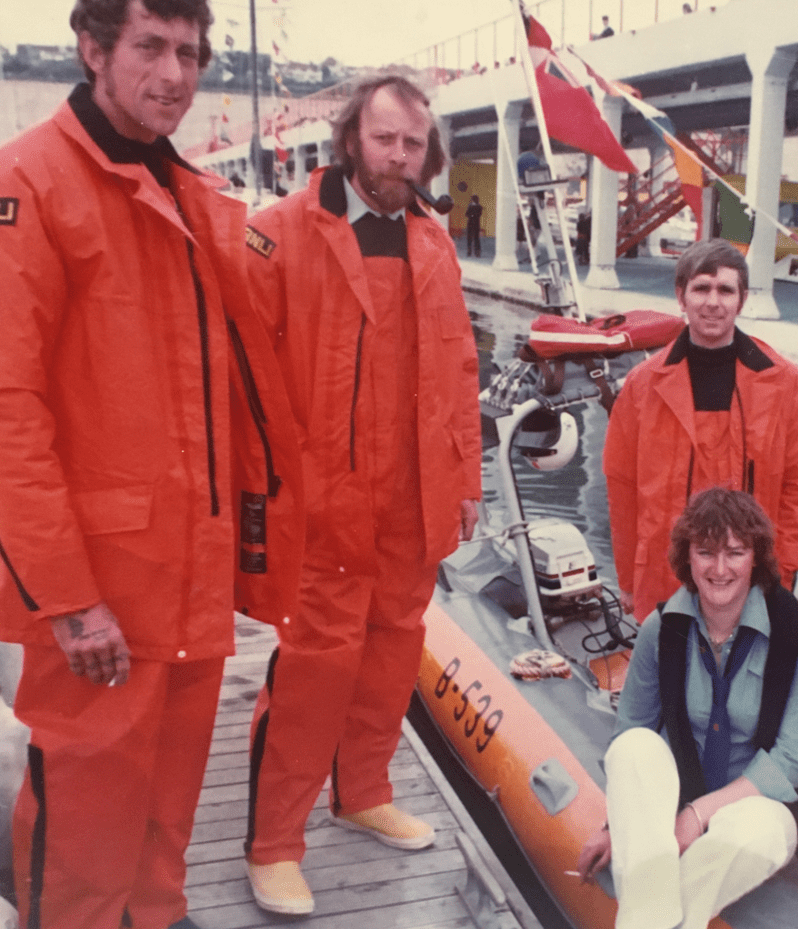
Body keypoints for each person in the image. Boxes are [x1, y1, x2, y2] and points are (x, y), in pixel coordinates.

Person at [0, 2, 302, 928]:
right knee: (89, 823)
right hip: (99, 594)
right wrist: (66, 596)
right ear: (93, 50)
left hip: (189, 578)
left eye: (190, 53)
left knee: (167, 809)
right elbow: (1, 417)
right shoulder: (16, 191)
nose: (176, 73)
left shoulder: (180, 191)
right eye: (151, 47)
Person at [239, 72, 483, 915]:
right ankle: (273, 842)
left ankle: (365, 790)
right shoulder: (277, 235)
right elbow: (245, 379)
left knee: (389, 659)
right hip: (324, 502)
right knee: (313, 672)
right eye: (385, 138)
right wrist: (263, 495)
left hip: (414, 500)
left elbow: (459, 371)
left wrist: (466, 482)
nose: (400, 155)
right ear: (351, 139)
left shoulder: (433, 242)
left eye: (414, 143)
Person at [576, 488, 798, 929]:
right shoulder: (661, 629)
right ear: (687, 558)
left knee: (755, 832)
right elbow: (631, 730)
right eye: (706, 552)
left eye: (735, 552)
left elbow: (790, 761)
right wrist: (619, 827)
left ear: (756, 558)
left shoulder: (797, 639)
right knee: (634, 745)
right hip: (670, 801)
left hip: (752, 808)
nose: (721, 568)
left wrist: (698, 814)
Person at [604, 238, 798, 621]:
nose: (713, 302)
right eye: (701, 288)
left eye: (726, 290)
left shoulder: (786, 384)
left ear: (741, 301)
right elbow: (621, 487)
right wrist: (628, 576)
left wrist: (780, 566)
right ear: (681, 296)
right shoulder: (642, 387)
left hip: (751, 581)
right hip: (665, 580)